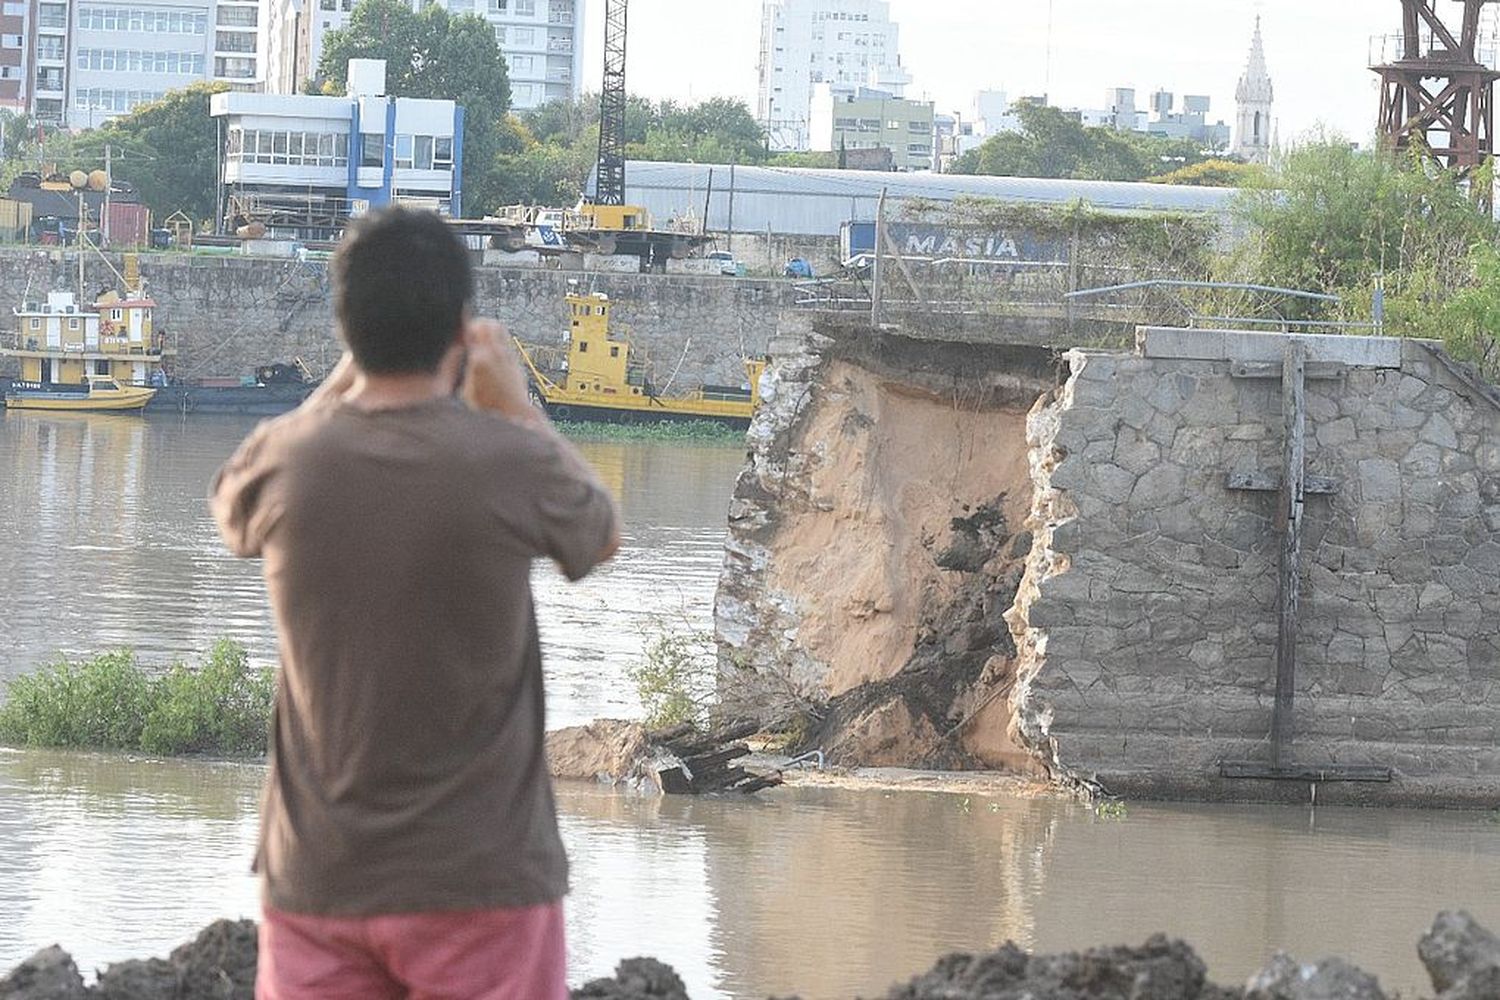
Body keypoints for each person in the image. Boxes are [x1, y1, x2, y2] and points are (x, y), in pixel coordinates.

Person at [211, 206, 621, 1000]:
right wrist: (516, 405)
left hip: (317, 877)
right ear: (461, 328)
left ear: (345, 325)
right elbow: (598, 534)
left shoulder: (287, 463)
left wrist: (349, 372)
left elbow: (233, 503)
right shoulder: (506, 461)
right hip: (481, 882)